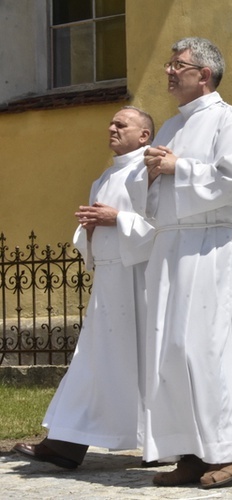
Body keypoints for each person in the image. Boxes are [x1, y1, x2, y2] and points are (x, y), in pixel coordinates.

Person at [132, 37, 232, 488]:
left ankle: (229, 449)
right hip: (171, 247)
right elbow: (153, 200)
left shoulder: (228, 120)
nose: (170, 72)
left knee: (205, 349)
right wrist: (153, 175)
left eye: (179, 65)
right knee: (171, 350)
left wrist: (179, 169)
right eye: (169, 65)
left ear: (205, 75)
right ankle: (191, 451)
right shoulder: (170, 128)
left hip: (208, 246)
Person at [13, 107, 154, 469]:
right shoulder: (105, 177)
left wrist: (115, 218)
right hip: (109, 282)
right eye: (111, 123)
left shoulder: (150, 172)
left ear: (144, 136)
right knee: (93, 363)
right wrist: (90, 229)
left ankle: (157, 444)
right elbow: (90, 235)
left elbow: (160, 228)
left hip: (139, 282)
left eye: (121, 124)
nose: (112, 128)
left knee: (144, 363)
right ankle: (66, 443)